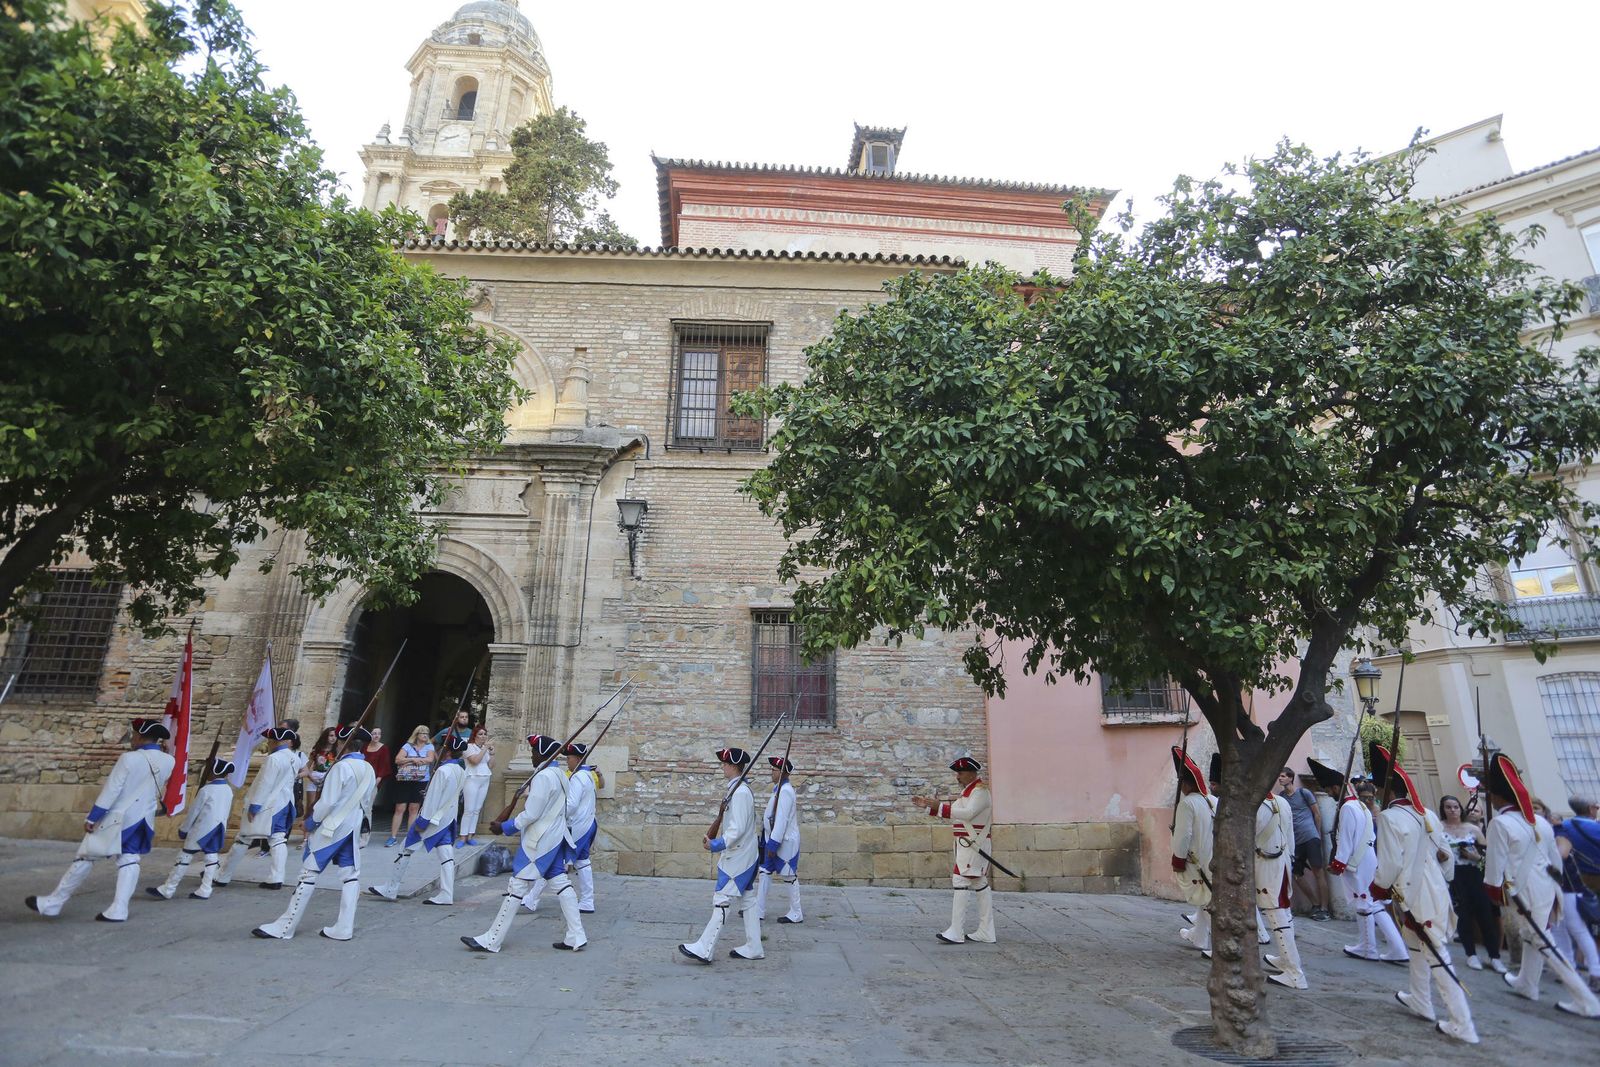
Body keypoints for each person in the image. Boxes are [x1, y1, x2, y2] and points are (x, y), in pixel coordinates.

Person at [1368, 743, 1478, 1044]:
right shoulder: (1427, 813)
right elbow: (1445, 855)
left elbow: (1390, 863)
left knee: (1438, 957)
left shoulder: (1390, 818)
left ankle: (1463, 1024)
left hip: (1414, 893)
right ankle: (1420, 1000)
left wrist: (1377, 887)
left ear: (1385, 789)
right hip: (1435, 889)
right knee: (1416, 947)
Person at [1483, 753, 1600, 1018]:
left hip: (1523, 890)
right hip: (1547, 887)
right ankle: (1527, 983)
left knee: (1541, 939)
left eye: (1491, 793)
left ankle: (1586, 1000)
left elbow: (1494, 867)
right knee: (1534, 935)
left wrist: (1493, 890)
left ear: (1499, 797)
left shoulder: (1500, 823)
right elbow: (1555, 861)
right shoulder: (1541, 822)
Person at [26, 718, 176, 922]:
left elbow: (112, 790)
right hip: (143, 820)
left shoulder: (129, 759)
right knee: (130, 860)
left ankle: (53, 903)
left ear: (140, 736)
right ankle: (119, 909)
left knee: (86, 856)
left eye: (134, 735)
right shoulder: (169, 760)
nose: (132, 739)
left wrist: (93, 817)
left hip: (118, 818)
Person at [252, 722, 378, 942]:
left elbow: (327, 802)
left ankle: (285, 927)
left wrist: (310, 822)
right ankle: (344, 927)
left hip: (332, 827)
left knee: (308, 874)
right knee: (350, 876)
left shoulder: (341, 767)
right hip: (352, 827)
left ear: (343, 743)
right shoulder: (368, 768)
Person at [463, 733, 587, 954]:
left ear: (543, 754)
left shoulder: (543, 777)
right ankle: (576, 935)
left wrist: (505, 826)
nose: (532, 756)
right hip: (555, 838)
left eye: (534, 752)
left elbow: (531, 813)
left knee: (517, 886)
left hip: (539, 840)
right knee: (560, 882)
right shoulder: (559, 774)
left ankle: (492, 939)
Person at [1311, 757, 1407, 965]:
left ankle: (1369, 948)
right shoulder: (1359, 806)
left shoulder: (1347, 808)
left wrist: (1339, 863)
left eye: (1329, 790)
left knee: (1366, 904)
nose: (1328, 793)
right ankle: (1391, 947)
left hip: (1357, 861)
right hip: (1366, 859)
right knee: (1373, 904)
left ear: (1337, 787)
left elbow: (1346, 839)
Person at [679, 746, 761, 963]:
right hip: (744, 853)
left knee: (722, 898)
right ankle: (754, 946)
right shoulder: (737, 788)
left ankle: (705, 948)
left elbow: (738, 828)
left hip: (739, 855)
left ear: (734, 766)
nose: (723, 767)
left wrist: (717, 844)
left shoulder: (741, 792)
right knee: (749, 899)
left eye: (725, 764)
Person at [369, 734, 468, 906]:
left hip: (433, 819)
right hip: (447, 818)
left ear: (447, 751)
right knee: (446, 854)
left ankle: (392, 888)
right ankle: (446, 893)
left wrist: (422, 821)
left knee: (405, 848)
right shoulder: (460, 770)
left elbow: (433, 800)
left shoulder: (443, 771)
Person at [912, 753, 996, 946]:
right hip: (967, 845)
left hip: (973, 845)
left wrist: (939, 806)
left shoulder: (980, 792)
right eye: (957, 772)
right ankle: (986, 931)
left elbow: (967, 814)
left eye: (960, 772)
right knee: (979, 883)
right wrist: (928, 807)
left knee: (961, 880)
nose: (957, 776)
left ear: (971, 773)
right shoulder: (968, 792)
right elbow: (955, 813)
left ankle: (956, 931)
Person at [216, 724, 300, 890]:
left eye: (270, 739)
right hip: (284, 803)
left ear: (276, 741)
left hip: (268, 804)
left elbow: (265, 784)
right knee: (277, 839)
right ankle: (276, 877)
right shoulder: (294, 758)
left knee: (243, 839)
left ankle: (223, 876)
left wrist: (255, 806)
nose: (268, 742)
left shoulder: (273, 759)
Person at [148, 756, 236, 901]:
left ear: (213, 772)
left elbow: (194, 812)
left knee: (185, 856)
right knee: (211, 856)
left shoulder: (206, 790)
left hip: (202, 828)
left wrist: (184, 829)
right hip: (219, 827)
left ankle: (168, 888)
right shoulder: (228, 790)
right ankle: (206, 889)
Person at [1438, 794, 1503, 973]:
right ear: (1443, 809)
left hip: (1474, 873)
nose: (1452, 810)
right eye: (1448, 807)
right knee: (1463, 915)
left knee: (1485, 915)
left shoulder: (1472, 829)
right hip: (1453, 875)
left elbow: (1487, 856)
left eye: (1455, 806)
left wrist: (1474, 856)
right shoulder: (1438, 829)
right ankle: (1471, 954)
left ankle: (1494, 956)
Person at [1258, 773, 1306, 988]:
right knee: (1283, 913)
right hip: (1283, 862)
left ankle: (1294, 972)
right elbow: (1290, 838)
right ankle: (1285, 959)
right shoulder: (1282, 802)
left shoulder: (1257, 806)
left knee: (1277, 915)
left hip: (1267, 866)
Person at [1170, 746, 1216, 953]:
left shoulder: (1187, 804)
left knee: (1206, 898)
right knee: (1204, 895)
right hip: (1212, 855)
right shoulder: (1212, 800)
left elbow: (1183, 835)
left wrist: (1178, 859)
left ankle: (1219, 944)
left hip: (1196, 857)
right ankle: (1198, 938)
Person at [1549, 807, 1600, 993]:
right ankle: (1569, 969)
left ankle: (1596, 973)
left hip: (1569, 889)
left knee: (1576, 928)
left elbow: (1562, 853)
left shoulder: (1560, 832)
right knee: (1558, 928)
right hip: (1556, 889)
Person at [754, 755, 804, 927]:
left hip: (784, 842)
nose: (771, 773)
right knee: (764, 873)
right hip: (771, 838)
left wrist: (774, 844)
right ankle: (758, 910)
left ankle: (796, 912)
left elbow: (781, 820)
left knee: (789, 876)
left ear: (782, 773)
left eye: (774, 770)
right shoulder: (778, 789)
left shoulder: (786, 792)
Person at [1279, 767, 1330, 920]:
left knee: (1318, 872)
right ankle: (1315, 904)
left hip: (1310, 837)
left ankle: (1324, 908)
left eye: (1283, 776)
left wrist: (1318, 835)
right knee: (1296, 874)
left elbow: (1317, 814)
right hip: (1296, 841)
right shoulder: (1282, 797)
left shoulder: (1304, 793)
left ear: (1290, 778)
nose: (1280, 779)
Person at [563, 741, 601, 914]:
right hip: (588, 823)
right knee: (582, 862)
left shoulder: (578, 777)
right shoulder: (587, 776)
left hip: (578, 825)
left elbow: (571, 805)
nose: (567, 761)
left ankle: (530, 898)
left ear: (577, 759)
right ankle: (587, 900)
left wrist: (556, 811)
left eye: (569, 758)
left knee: (556, 862)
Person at [388, 725, 434, 847]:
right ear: (417, 734)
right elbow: (398, 759)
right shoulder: (408, 746)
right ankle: (393, 836)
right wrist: (413, 759)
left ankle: (410, 837)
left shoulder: (429, 747)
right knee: (400, 808)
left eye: (427, 733)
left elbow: (430, 759)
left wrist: (408, 759)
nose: (425, 735)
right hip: (405, 779)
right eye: (422, 733)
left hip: (421, 780)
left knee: (414, 809)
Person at [299, 727, 337, 840]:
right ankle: (305, 837)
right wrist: (311, 777)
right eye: (330, 735)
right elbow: (308, 765)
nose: (333, 738)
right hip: (314, 778)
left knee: (325, 806)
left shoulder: (337, 751)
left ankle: (318, 834)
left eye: (335, 736)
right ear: (326, 736)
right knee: (311, 807)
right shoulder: (317, 750)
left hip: (328, 778)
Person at [460, 724, 493, 845]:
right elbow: (475, 761)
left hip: (485, 778)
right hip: (472, 777)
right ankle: (463, 836)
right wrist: (485, 749)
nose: (483, 736)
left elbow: (491, 765)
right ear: (474, 736)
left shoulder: (484, 748)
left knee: (477, 809)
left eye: (485, 734)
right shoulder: (469, 747)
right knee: (469, 809)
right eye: (480, 734)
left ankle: (470, 835)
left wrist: (492, 753)